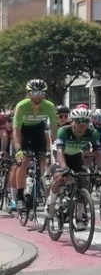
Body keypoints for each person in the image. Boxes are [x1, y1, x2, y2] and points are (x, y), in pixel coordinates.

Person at [9, 80, 58, 212]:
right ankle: (19, 197)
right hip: (23, 131)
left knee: (43, 158)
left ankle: (39, 185)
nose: (38, 95)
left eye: (41, 92)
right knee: (23, 160)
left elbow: (53, 127)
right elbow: (16, 130)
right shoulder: (21, 106)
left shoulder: (49, 106)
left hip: (38, 130)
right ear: (29, 93)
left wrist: (56, 145)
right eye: (35, 92)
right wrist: (18, 149)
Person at [47, 108, 101, 213]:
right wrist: (64, 168)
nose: (82, 124)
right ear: (72, 121)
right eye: (78, 121)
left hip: (76, 156)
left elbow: (98, 153)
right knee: (59, 178)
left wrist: (100, 168)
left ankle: (80, 214)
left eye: (85, 121)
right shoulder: (64, 131)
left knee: (82, 180)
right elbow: (59, 151)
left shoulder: (92, 133)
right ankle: (51, 201)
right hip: (59, 155)